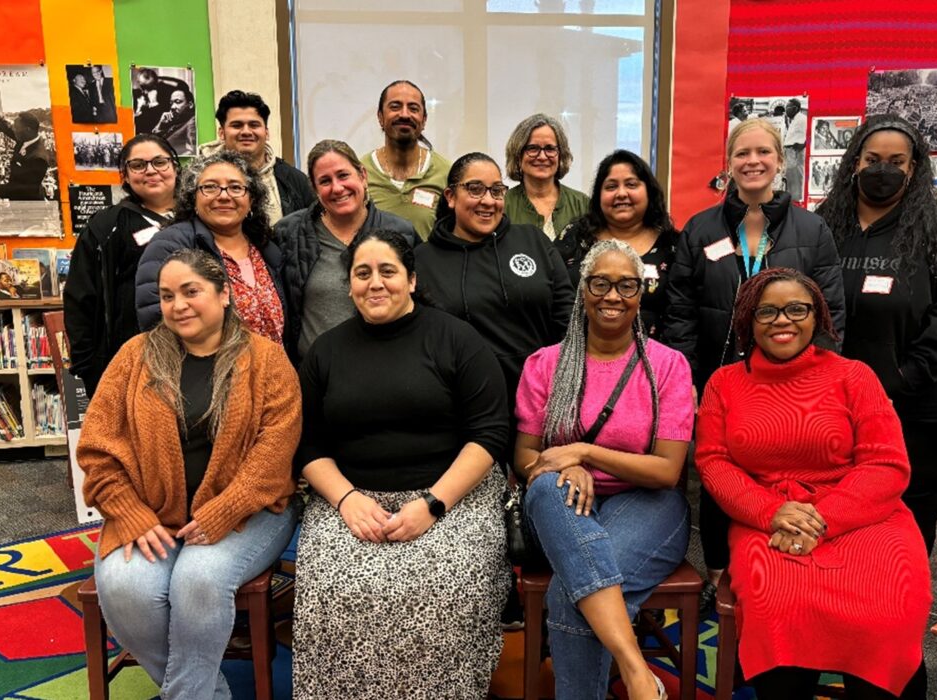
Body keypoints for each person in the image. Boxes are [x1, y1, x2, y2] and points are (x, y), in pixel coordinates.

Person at [695, 267, 930, 700]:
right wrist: (770, 513)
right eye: (767, 311)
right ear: (748, 319)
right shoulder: (723, 383)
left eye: (796, 309)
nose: (782, 320)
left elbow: (887, 464)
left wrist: (820, 520)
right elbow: (713, 462)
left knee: (891, 607)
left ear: (817, 316)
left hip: (863, 515)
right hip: (766, 517)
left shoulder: (855, 376)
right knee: (775, 605)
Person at [293, 229, 509, 697]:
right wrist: (347, 500)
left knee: (443, 588)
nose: (375, 283)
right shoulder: (325, 352)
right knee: (333, 590)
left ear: (411, 279)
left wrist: (433, 504)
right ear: (348, 284)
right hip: (348, 500)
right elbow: (308, 447)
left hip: (453, 496)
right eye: (362, 273)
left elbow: (489, 435)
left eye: (387, 271)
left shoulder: (457, 339)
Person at [78, 249, 300, 700]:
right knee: (124, 589)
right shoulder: (133, 357)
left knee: (197, 582)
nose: (177, 305)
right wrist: (130, 513)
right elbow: (98, 450)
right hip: (152, 514)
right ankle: (205, 694)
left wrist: (225, 510)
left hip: (251, 515)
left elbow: (275, 455)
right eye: (166, 295)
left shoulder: (267, 360)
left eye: (190, 291)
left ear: (223, 295)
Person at [664, 117, 845, 612]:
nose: (753, 162)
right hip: (721, 382)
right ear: (729, 164)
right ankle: (722, 579)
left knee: (782, 474)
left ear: (779, 161)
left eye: (763, 152)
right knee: (722, 477)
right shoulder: (700, 228)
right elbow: (679, 311)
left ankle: (791, 571)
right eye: (742, 153)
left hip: (792, 383)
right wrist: (689, 381)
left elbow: (829, 312)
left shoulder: (812, 228)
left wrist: (819, 384)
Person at [515, 240, 693, 700]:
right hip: (561, 509)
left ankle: (628, 675)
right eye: (600, 283)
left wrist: (584, 453)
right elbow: (527, 458)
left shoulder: (668, 366)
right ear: (583, 289)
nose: (612, 295)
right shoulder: (546, 364)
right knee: (549, 488)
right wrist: (563, 465)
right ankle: (637, 673)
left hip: (650, 504)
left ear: (641, 293)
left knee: (569, 594)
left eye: (626, 285)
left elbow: (667, 471)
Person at [816, 114, 937, 553]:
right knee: (843, 497)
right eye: (873, 159)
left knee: (908, 503)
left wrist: (906, 377)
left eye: (897, 161)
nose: (883, 169)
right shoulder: (825, 226)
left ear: (913, 168)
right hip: (847, 396)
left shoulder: (934, 230)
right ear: (855, 162)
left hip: (923, 398)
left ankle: (905, 596)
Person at [416, 152, 574, 440]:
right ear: (450, 196)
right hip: (464, 415)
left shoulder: (533, 241)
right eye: (475, 189)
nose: (488, 200)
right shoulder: (422, 261)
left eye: (496, 190)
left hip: (542, 403)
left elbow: (567, 319)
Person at [136, 150, 289, 357]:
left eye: (235, 187)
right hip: (204, 379)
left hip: (270, 376)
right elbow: (154, 317)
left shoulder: (267, 248)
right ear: (193, 198)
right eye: (210, 187)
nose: (224, 195)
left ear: (251, 200)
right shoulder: (170, 245)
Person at [274, 139, 417, 358]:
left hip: (385, 364)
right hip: (314, 375)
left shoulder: (401, 232)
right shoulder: (289, 233)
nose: (337, 188)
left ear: (362, 176)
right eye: (325, 181)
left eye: (343, 175)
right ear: (314, 189)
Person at [65, 134, 180, 397]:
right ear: (125, 175)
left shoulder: (199, 218)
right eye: (138, 165)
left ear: (175, 166)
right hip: (129, 361)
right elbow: (80, 299)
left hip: (195, 355)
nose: (151, 170)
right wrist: (88, 367)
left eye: (160, 162)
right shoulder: (105, 227)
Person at [556, 150, 678, 340]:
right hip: (578, 356)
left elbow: (682, 312)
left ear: (649, 191)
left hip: (655, 361)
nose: (621, 193)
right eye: (611, 186)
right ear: (598, 195)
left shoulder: (673, 245)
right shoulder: (575, 236)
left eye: (631, 184)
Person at [200, 90, 316, 225]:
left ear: (266, 132)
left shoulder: (295, 181)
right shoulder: (198, 177)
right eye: (236, 125)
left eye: (254, 125)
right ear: (221, 133)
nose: (246, 132)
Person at [361, 80, 451, 240]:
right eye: (395, 107)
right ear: (380, 117)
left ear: (424, 120)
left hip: (426, 265)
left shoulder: (446, 173)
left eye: (413, 108)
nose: (404, 114)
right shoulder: (360, 173)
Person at [502, 113, 589, 239]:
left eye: (550, 149)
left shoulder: (582, 204)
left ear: (561, 155)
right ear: (518, 155)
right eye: (532, 148)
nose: (542, 157)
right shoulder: (503, 205)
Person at [0, 88, 50, 200]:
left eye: (15, 128)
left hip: (28, 205)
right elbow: (4, 126)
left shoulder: (38, 158)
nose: (12, 129)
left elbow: (24, 189)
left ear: (27, 130)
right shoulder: (25, 138)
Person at [154, 88, 196, 155]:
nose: (172, 107)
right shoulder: (178, 122)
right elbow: (152, 141)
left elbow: (192, 152)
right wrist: (160, 124)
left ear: (190, 105)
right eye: (171, 103)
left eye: (178, 102)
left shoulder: (192, 122)